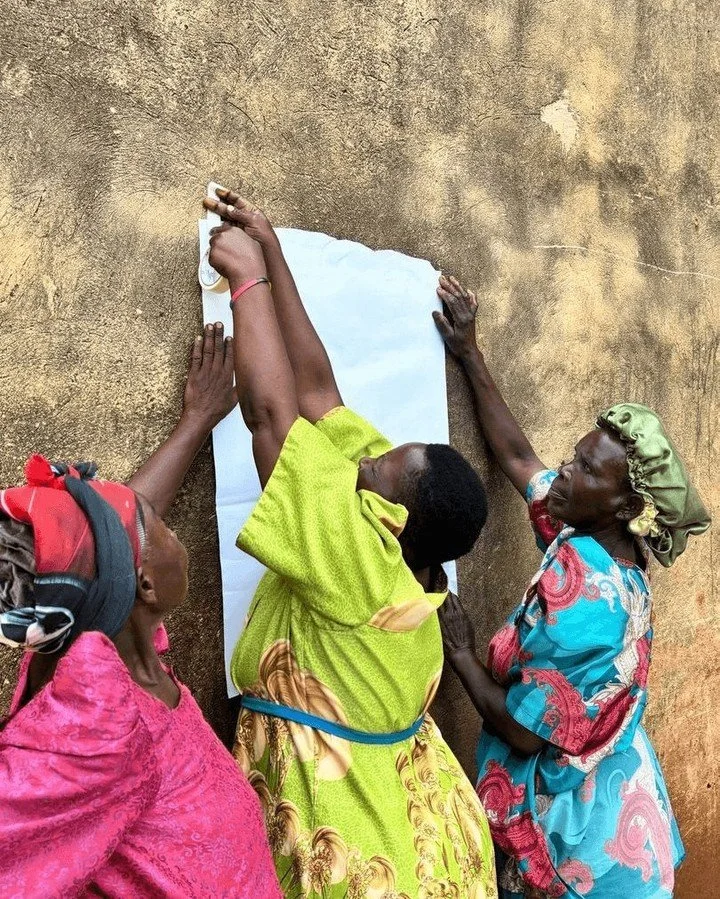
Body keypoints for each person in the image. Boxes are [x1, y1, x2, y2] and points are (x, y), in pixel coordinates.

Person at [202, 186, 498, 899]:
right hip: (418, 803)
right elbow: (319, 393)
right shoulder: (415, 557)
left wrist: (245, 284)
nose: (365, 457)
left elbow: (273, 415)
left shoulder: (360, 566)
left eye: (377, 468)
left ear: (393, 517)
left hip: (350, 824)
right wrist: (272, 248)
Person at [432, 275, 711, 898]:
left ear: (624, 502)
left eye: (585, 469)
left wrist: (462, 656)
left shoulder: (585, 600)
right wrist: (470, 352)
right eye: (576, 456)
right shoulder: (599, 545)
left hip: (582, 841)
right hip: (620, 791)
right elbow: (518, 458)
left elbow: (526, 731)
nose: (564, 471)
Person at [0, 325, 281, 899]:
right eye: (159, 523)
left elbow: (112, 541)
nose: (168, 522)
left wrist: (196, 421)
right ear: (143, 583)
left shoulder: (108, 636)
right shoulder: (96, 713)